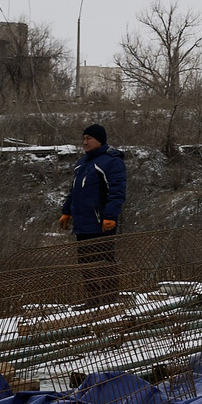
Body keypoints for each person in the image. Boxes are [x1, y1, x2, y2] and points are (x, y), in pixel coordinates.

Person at [57, 122, 128, 305]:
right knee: (85, 263)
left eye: (89, 138)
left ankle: (110, 299)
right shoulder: (82, 163)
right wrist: (66, 212)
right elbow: (75, 191)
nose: (85, 142)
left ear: (99, 140)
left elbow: (117, 191)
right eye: (83, 139)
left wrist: (110, 216)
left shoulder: (111, 161)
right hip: (83, 223)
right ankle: (93, 299)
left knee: (103, 262)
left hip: (100, 223)